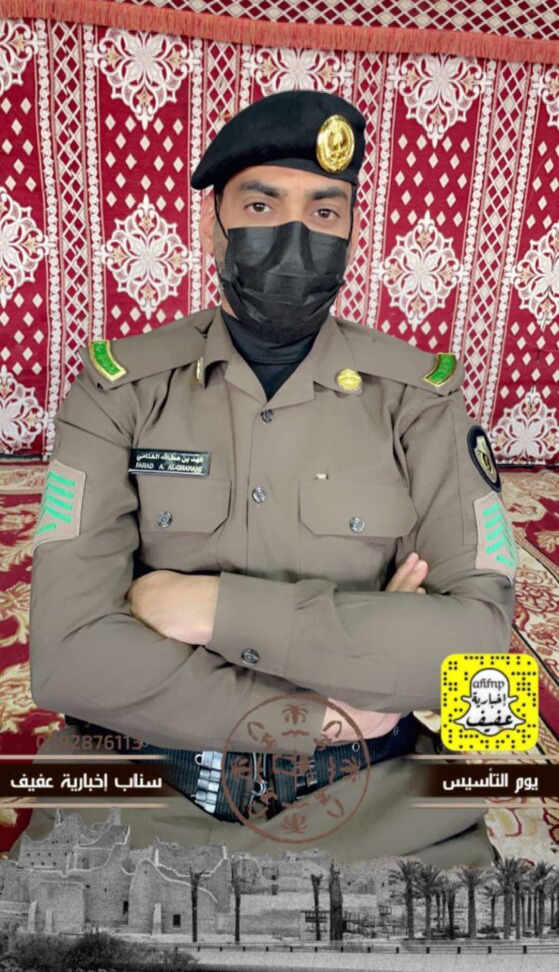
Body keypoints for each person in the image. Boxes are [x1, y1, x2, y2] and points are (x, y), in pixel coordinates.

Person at [11, 90, 517, 867]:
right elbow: (69, 659)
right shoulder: (119, 390)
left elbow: (485, 679)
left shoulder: (421, 399)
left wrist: (204, 607)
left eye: (324, 211)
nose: (293, 237)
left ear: (352, 230)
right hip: (139, 795)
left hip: (380, 809)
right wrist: (323, 708)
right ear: (210, 223)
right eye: (260, 204)